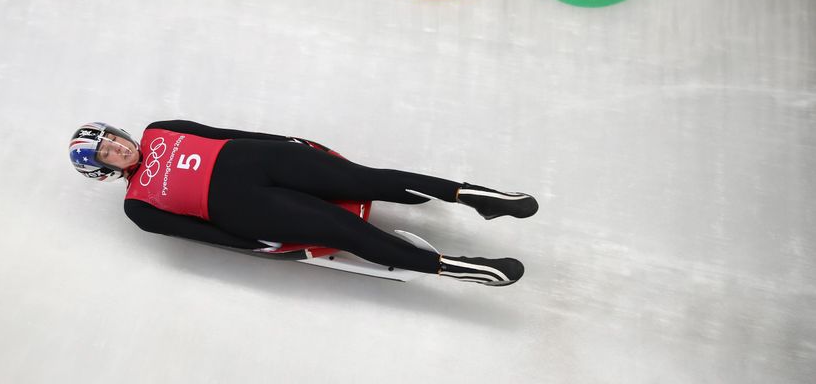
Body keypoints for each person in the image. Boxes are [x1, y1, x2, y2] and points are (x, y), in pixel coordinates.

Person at [68, 120, 538, 286]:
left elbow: (223, 133)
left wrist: (287, 141)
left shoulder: (159, 128)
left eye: (112, 139)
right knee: (343, 231)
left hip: (261, 159)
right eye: (107, 152)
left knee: (364, 179)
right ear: (104, 168)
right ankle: (463, 268)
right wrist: (256, 245)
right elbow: (199, 235)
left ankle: (477, 196)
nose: (118, 147)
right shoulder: (137, 206)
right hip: (245, 208)